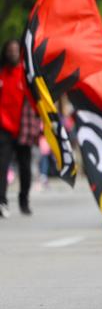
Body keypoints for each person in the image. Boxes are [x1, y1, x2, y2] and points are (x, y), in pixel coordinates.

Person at [0, 39, 41, 217]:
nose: (13, 53)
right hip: (4, 129)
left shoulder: (26, 76)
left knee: (25, 169)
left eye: (16, 50)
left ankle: (24, 200)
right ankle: (2, 201)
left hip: (23, 130)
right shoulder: (1, 75)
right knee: (2, 167)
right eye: (10, 50)